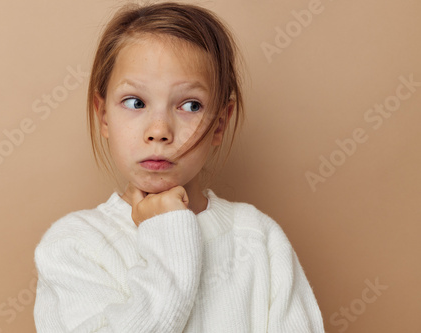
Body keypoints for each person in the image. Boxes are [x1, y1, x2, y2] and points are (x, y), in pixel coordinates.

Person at [33, 2, 325, 332]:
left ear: (219, 123)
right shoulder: (75, 246)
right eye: (135, 102)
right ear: (103, 115)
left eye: (190, 105)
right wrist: (170, 235)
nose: (159, 130)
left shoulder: (259, 239)